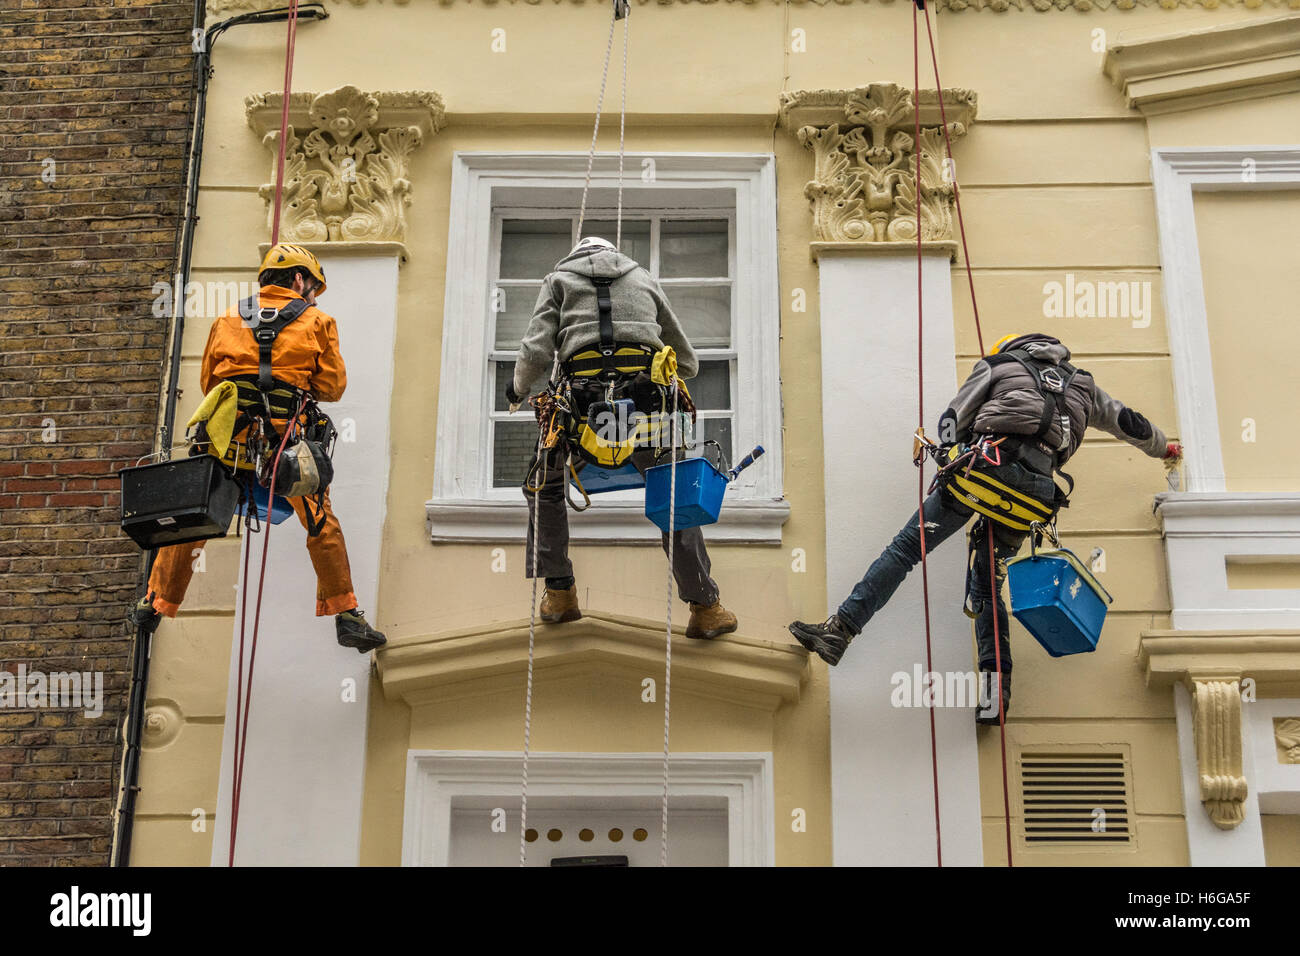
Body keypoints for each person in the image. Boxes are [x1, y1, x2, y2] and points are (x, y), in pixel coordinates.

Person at [789, 332, 1181, 722]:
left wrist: (946, 451)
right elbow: (1131, 424)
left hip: (984, 475)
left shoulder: (998, 365)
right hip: (1032, 498)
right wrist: (1165, 449)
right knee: (988, 586)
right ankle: (997, 697)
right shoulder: (1082, 385)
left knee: (907, 549)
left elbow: (951, 420)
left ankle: (840, 630)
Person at [130, 243, 386, 653]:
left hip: (227, 441)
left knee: (193, 516)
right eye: (312, 287)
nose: (314, 296)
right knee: (321, 522)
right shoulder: (319, 321)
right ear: (299, 280)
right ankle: (346, 614)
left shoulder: (227, 319)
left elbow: (210, 384)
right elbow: (332, 388)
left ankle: (154, 603)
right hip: (286, 446)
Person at [504, 235, 738, 640]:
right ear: (615, 253)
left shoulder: (557, 280)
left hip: (581, 415)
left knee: (542, 486)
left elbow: (537, 348)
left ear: (575, 255)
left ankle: (560, 594)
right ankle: (706, 607)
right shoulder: (644, 278)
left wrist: (517, 389)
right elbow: (688, 362)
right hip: (648, 412)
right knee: (676, 498)